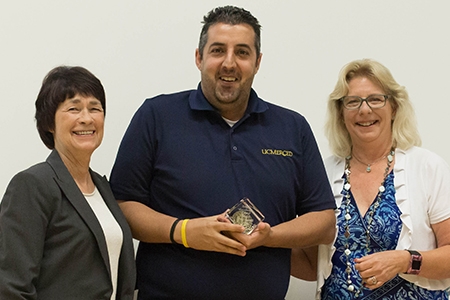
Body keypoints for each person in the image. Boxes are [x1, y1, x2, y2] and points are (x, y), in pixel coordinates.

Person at [109, 5, 336, 300]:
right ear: (199, 57)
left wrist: (270, 236)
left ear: (257, 62)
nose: (229, 63)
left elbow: (324, 221)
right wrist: (184, 231)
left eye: (242, 52)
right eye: (218, 50)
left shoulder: (292, 127)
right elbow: (122, 205)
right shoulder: (156, 116)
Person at [293, 58, 450, 299]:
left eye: (376, 99)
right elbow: (312, 265)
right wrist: (259, 241)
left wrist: (404, 261)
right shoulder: (324, 173)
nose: (364, 110)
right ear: (341, 113)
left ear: (394, 107)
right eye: (353, 102)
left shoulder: (428, 167)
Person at [0, 66, 136, 299]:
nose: (86, 118)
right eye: (73, 108)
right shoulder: (32, 185)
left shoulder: (103, 188)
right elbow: (12, 287)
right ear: (49, 123)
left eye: (95, 108)